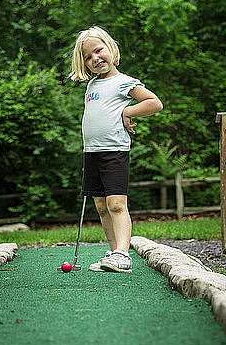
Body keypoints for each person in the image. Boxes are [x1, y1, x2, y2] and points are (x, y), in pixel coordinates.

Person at [70, 26, 163, 273]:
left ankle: (124, 253)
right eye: (88, 57)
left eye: (98, 51)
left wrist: (127, 111)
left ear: (111, 48)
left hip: (114, 151)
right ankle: (114, 254)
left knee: (116, 204)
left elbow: (154, 103)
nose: (95, 59)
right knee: (100, 206)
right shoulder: (91, 86)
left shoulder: (124, 82)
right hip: (92, 153)